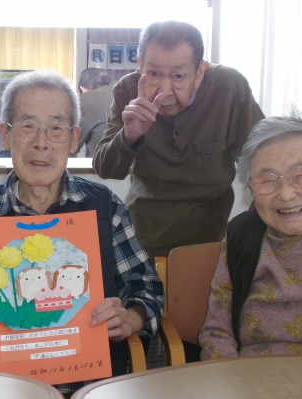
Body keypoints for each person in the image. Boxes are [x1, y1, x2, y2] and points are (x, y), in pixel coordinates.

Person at [0, 70, 164, 394]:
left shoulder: (105, 209)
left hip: (86, 394)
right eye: (27, 126)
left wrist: (131, 317)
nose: (41, 142)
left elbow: (149, 291)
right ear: (6, 136)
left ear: (74, 139)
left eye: (56, 128)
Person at [93, 21, 265, 259]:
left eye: (178, 76)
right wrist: (129, 136)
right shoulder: (128, 92)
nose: (164, 91)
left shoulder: (229, 90)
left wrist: (254, 235)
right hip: (141, 236)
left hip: (208, 241)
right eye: (153, 74)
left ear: (199, 73)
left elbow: (264, 165)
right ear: (140, 66)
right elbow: (105, 169)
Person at [199, 112, 302, 359]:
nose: (285, 194)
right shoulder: (241, 235)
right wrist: (226, 377)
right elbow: (218, 332)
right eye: (267, 180)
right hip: (248, 376)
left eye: (301, 175)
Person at [74, 68, 114, 158]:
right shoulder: (123, 91)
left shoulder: (87, 99)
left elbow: (71, 147)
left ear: (83, 88)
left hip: (104, 163)